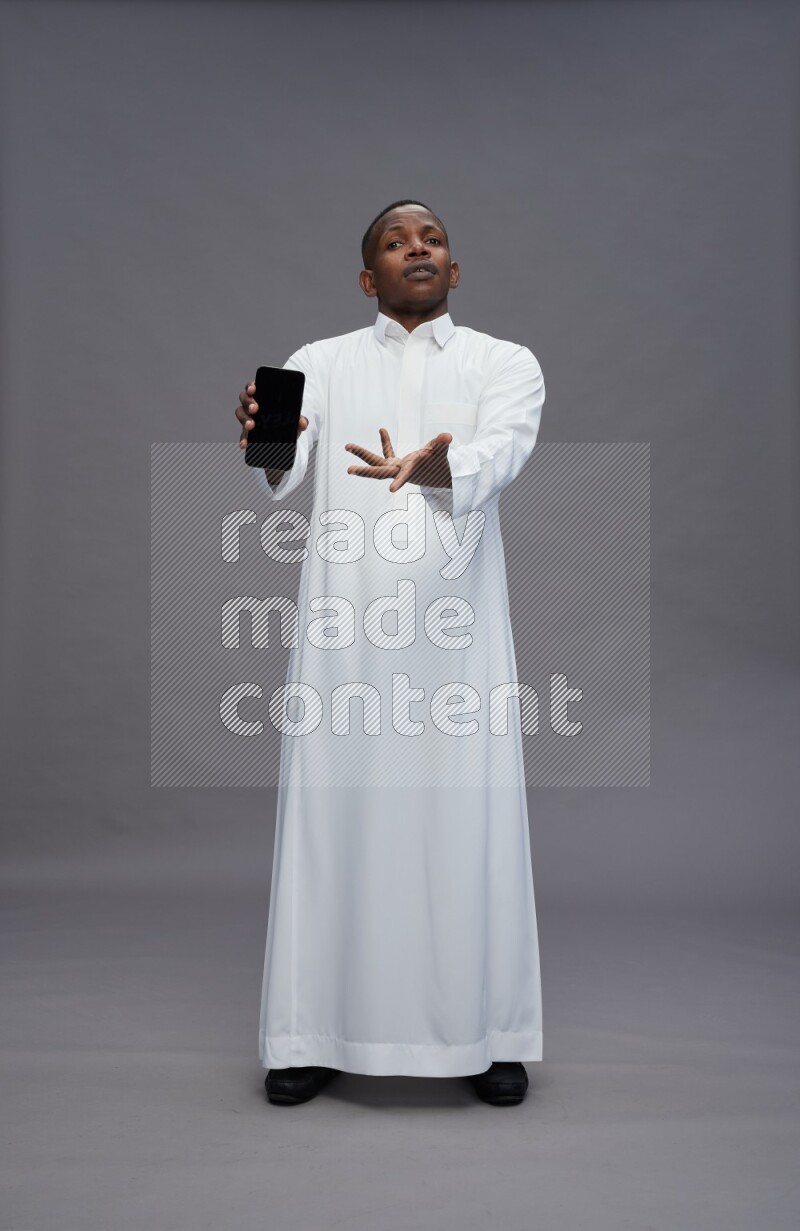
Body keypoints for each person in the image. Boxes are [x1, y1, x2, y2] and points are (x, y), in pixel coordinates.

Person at [234, 201, 545, 1107]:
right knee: (337, 823)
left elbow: (500, 453)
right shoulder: (318, 363)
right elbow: (278, 467)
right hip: (346, 636)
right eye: (396, 242)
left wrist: (432, 466)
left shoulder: (504, 363)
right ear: (369, 279)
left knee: (468, 822)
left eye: (434, 240)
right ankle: (312, 1030)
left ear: (455, 270)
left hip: (459, 641)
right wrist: (263, 433)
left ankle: (486, 1030)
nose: (419, 248)